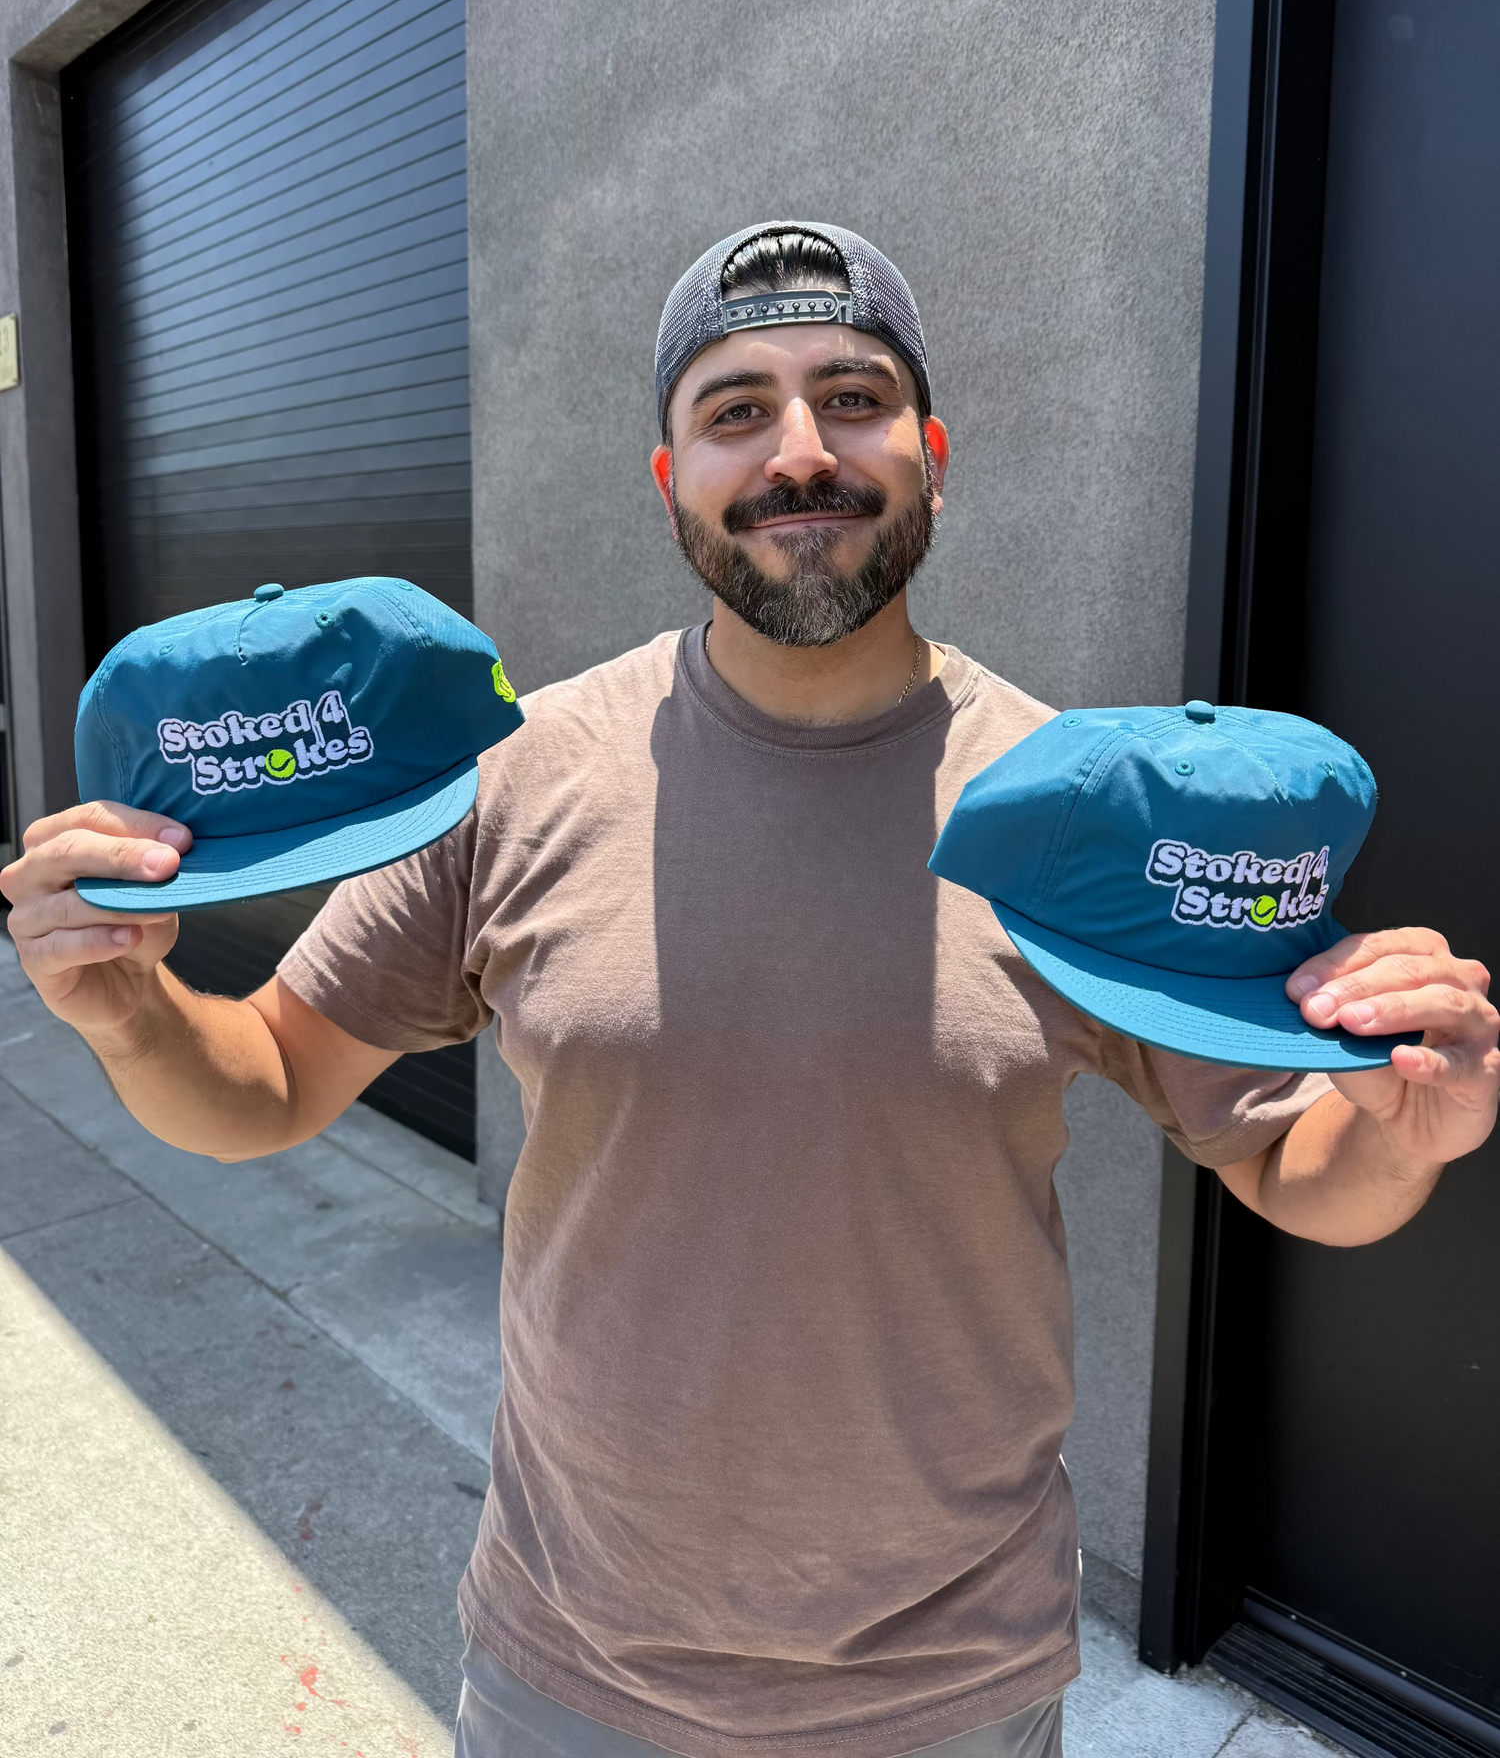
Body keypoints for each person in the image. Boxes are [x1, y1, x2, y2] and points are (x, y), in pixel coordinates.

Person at [6, 222, 1497, 1758]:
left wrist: (1402, 1126)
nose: (800, 452)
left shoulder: (1082, 819)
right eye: (735, 409)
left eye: (851, 397)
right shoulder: (516, 783)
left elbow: (1287, 1162)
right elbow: (261, 1086)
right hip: (574, 1672)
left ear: (929, 452)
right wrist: (126, 1009)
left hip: (950, 1690)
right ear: (670, 482)